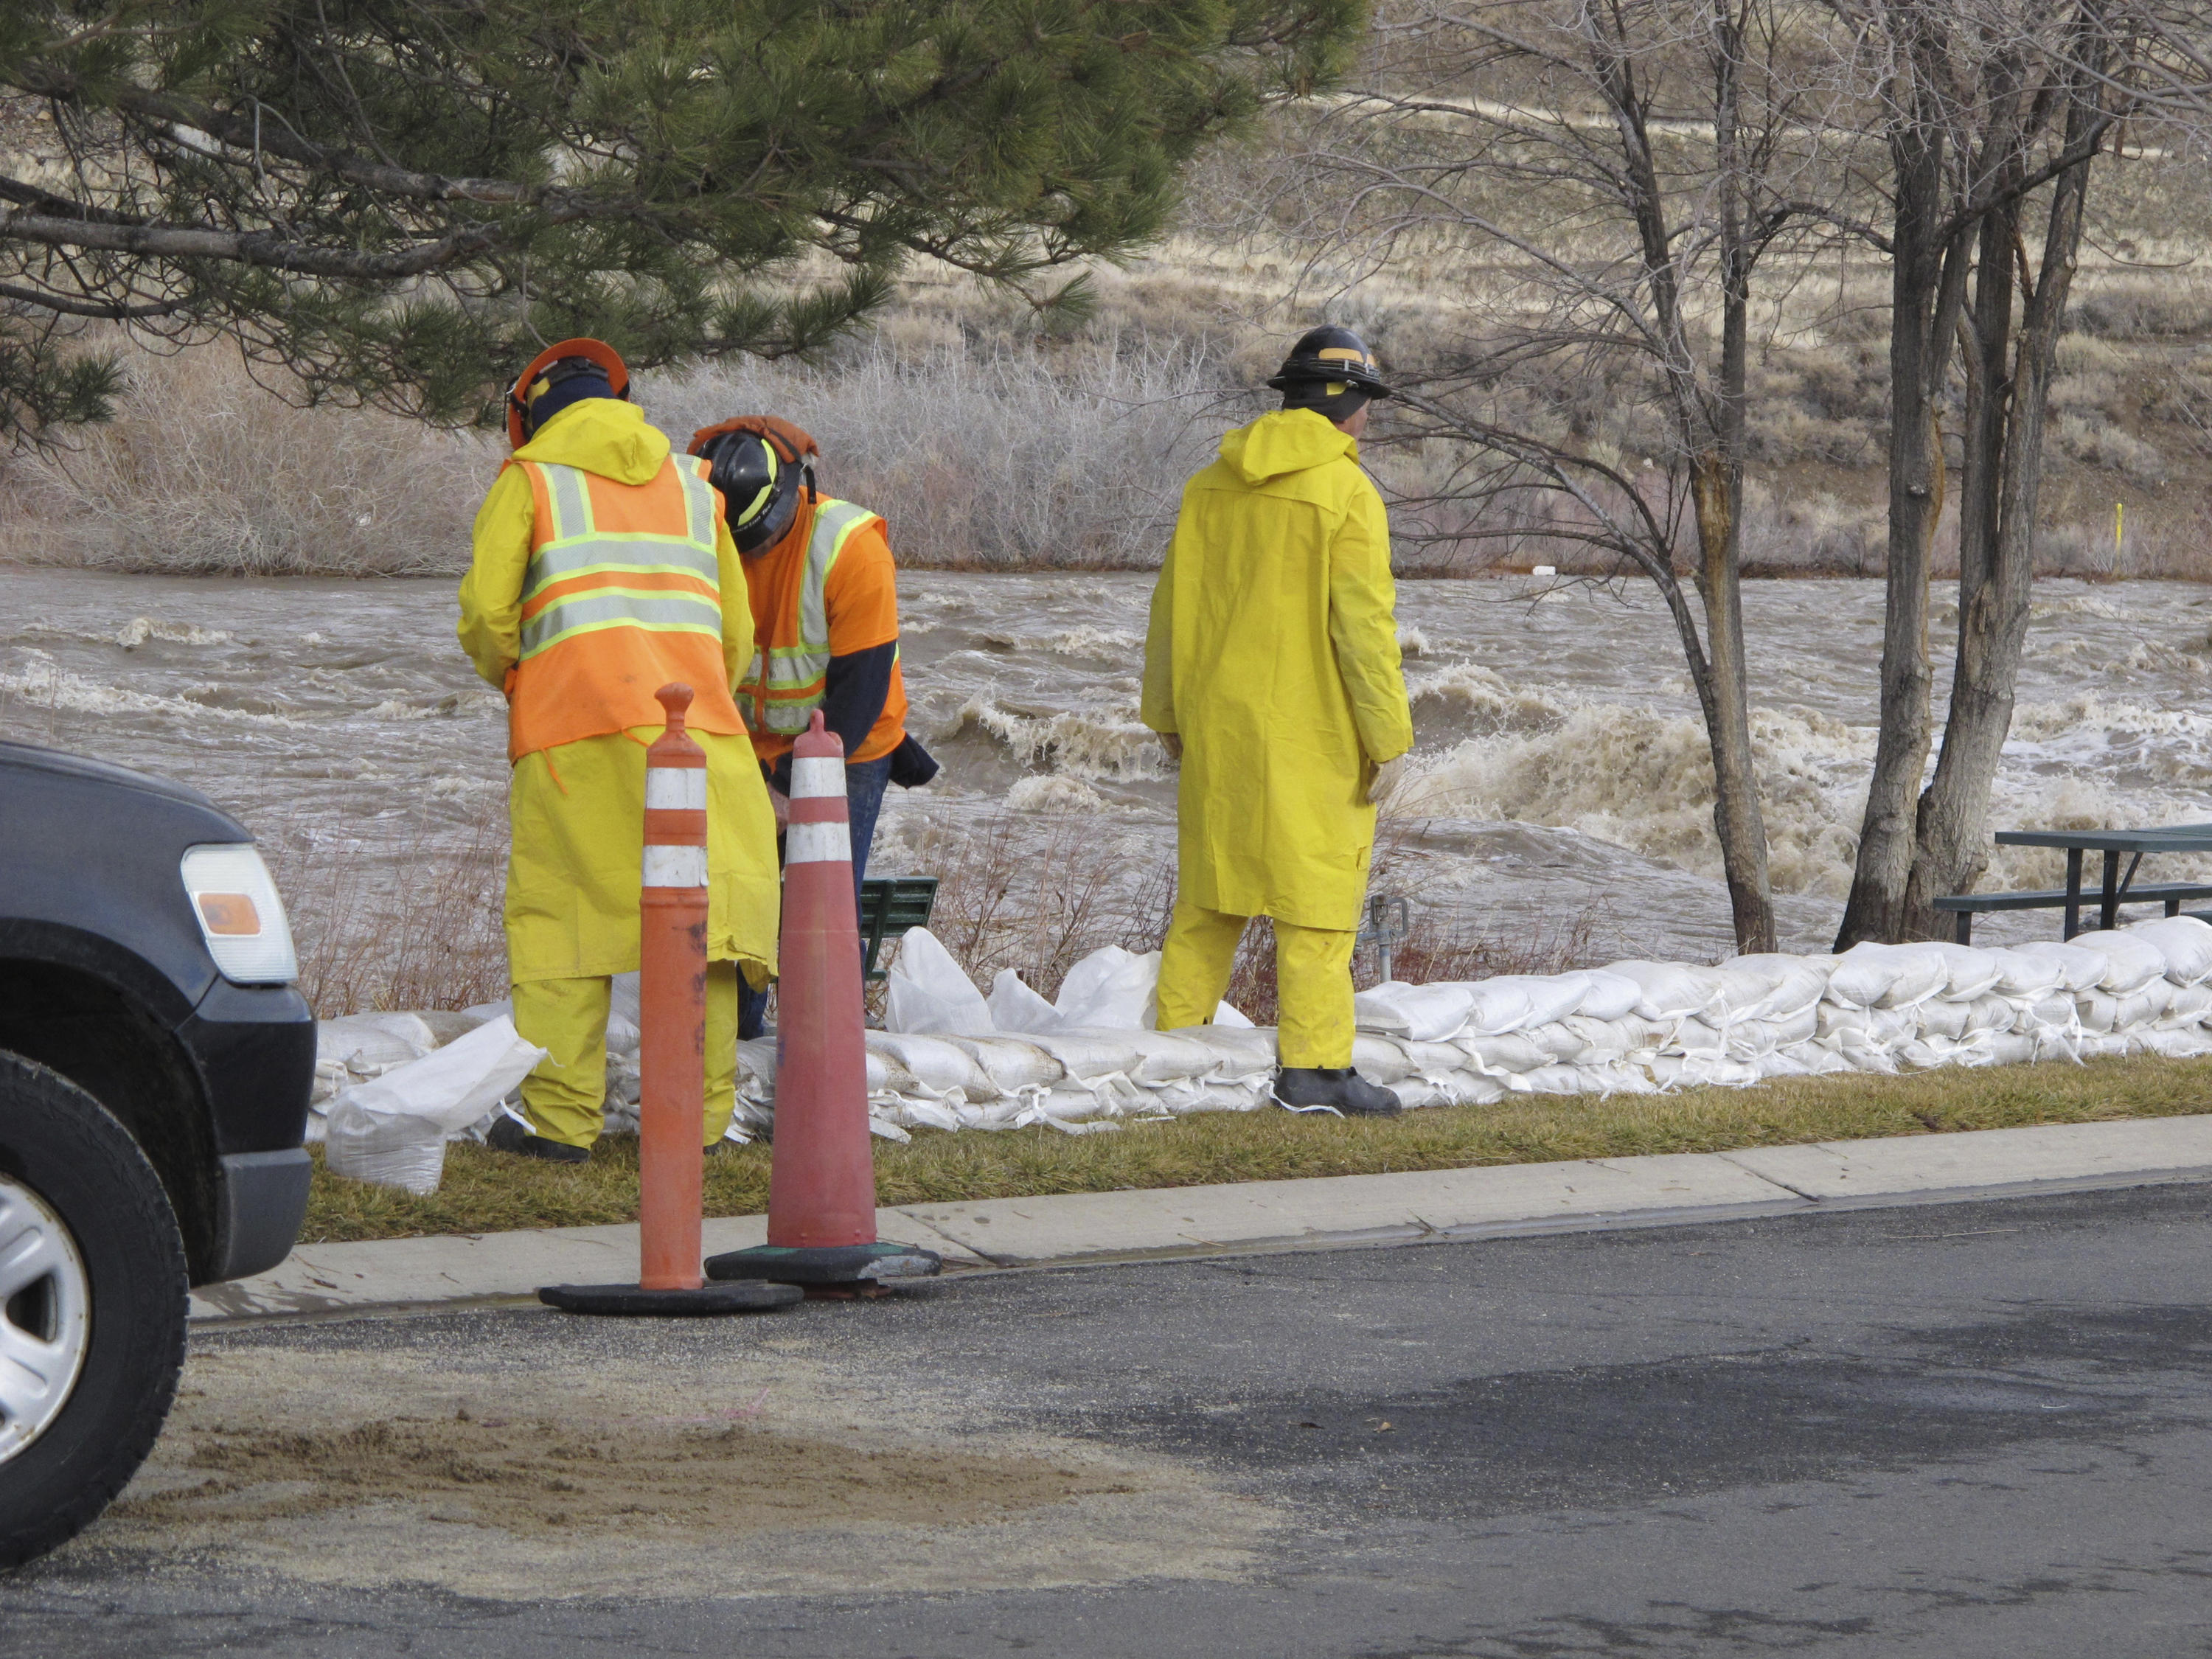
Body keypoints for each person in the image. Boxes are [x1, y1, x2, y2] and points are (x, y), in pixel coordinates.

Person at [458, 339, 781, 1162]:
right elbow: (735, 634)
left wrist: (527, 683)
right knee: (700, 933)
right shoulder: (694, 484)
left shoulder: (529, 480)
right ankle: (698, 1122)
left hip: (577, 736)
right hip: (701, 737)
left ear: (527, 412)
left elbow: (487, 621)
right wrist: (693, 698)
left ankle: (561, 1122)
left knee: (563, 922)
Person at [1141, 325, 1414, 1116]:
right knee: (1317, 906)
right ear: (1349, 405)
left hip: (1218, 729)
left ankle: (1166, 1059)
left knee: (1209, 900)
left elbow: (1170, 611)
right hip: (1311, 734)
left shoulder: (1209, 486)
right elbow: (1364, 629)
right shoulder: (1346, 493)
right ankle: (1316, 1071)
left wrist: (1164, 713)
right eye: (1365, 403)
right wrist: (1388, 738)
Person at [685, 417, 937, 1040]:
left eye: (761, 542)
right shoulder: (701, 537)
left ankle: (821, 1048)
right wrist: (747, 780)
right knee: (739, 898)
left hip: (850, 746)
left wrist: (794, 791)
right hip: (744, 742)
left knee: (820, 903)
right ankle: (737, 1039)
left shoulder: (851, 548)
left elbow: (860, 693)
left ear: (797, 492)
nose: (753, 555)